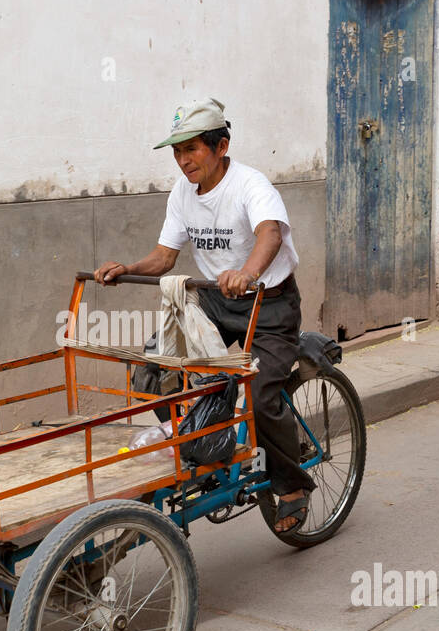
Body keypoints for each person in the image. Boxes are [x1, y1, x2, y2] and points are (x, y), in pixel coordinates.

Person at [93, 97, 316, 533]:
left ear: (221, 145)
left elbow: (269, 233)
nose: (183, 160)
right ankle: (205, 444)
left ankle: (292, 485)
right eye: (177, 152)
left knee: (256, 397)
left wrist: (248, 273)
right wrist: (127, 269)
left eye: (192, 149)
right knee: (156, 370)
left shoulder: (251, 184)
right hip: (215, 301)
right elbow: (164, 257)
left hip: (268, 304)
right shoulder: (183, 193)